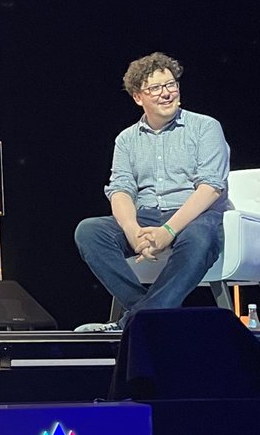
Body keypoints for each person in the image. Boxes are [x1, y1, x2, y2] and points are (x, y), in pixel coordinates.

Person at [74, 52, 229, 332]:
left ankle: (134, 322)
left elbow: (210, 188)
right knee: (89, 231)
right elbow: (120, 189)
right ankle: (146, 313)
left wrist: (167, 231)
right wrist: (133, 230)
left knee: (200, 237)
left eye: (171, 85)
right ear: (138, 97)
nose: (166, 93)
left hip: (194, 215)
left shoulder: (205, 127)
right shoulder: (127, 139)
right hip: (147, 216)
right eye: (155, 88)